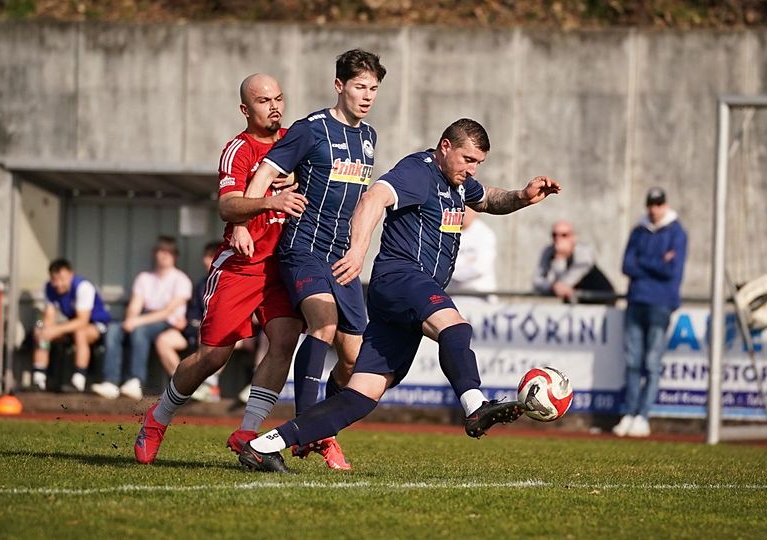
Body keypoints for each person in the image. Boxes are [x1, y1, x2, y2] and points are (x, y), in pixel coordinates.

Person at [239, 118, 561, 472]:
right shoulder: (418, 171)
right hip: (402, 277)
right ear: (445, 147)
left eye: (478, 163)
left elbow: (487, 199)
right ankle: (475, 407)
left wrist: (523, 197)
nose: (472, 170)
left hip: (405, 297)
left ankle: (263, 446)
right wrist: (358, 251)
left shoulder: (458, 181)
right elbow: (373, 198)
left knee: (360, 397)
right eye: (468, 159)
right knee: (455, 328)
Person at [133, 73, 307, 466]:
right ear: (245, 109)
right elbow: (227, 205)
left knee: (284, 341)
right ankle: (158, 418)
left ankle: (248, 433)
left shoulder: (294, 141)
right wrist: (264, 206)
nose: (275, 106)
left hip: (283, 265)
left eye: (279, 98)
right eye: (264, 101)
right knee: (213, 356)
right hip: (241, 267)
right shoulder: (238, 150)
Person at [231, 49, 386, 468]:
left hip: (342, 257)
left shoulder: (369, 137)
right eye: (359, 86)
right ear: (339, 86)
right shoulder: (310, 128)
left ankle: (321, 427)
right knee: (324, 323)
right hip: (303, 248)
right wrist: (244, 221)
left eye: (373, 88)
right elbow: (265, 173)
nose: (367, 95)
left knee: (353, 359)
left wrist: (358, 249)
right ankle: (306, 429)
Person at [613, 187, 687, 438]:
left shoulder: (677, 233)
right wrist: (658, 261)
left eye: (658, 204)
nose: (654, 209)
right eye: (651, 205)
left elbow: (672, 271)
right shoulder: (639, 230)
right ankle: (629, 413)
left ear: (665, 205)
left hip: (661, 304)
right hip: (636, 301)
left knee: (652, 363)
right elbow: (626, 265)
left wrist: (643, 262)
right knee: (633, 362)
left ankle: (643, 416)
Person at [91, 236, 193, 400]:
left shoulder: (181, 280)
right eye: (161, 251)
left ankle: (135, 381)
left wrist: (136, 322)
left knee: (140, 331)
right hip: (143, 318)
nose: (164, 255)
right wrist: (130, 319)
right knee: (113, 329)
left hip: (168, 322)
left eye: (168, 252)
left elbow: (167, 311)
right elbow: (135, 305)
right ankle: (110, 382)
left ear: (175, 256)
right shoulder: (144, 278)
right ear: (155, 253)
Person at [154, 240, 222, 401]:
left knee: (211, 333)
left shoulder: (233, 283)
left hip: (226, 335)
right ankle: (182, 386)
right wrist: (187, 323)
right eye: (205, 256)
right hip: (195, 332)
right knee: (164, 340)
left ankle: (211, 386)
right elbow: (193, 315)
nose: (205, 260)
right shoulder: (202, 285)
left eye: (211, 256)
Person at [31, 259, 111, 392]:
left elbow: (82, 321)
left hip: (97, 324)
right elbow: (49, 317)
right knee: (42, 332)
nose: (58, 284)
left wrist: (56, 330)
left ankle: (78, 381)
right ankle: (39, 379)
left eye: (62, 279)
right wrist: (46, 331)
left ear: (71, 274)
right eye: (54, 279)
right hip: (71, 324)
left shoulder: (83, 287)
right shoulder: (49, 288)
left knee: (80, 333)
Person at [533, 220, 615, 303]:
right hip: (577, 302)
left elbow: (566, 283)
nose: (558, 239)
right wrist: (551, 286)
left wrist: (559, 259)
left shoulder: (583, 253)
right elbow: (538, 281)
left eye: (564, 235)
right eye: (554, 235)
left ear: (573, 237)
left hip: (601, 300)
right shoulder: (549, 251)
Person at [447, 207, 497, 294]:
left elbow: (479, 268)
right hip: (452, 293)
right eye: (461, 210)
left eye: (467, 211)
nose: (464, 214)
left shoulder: (485, 234)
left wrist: (450, 272)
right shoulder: (448, 231)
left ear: (476, 212)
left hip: (478, 294)